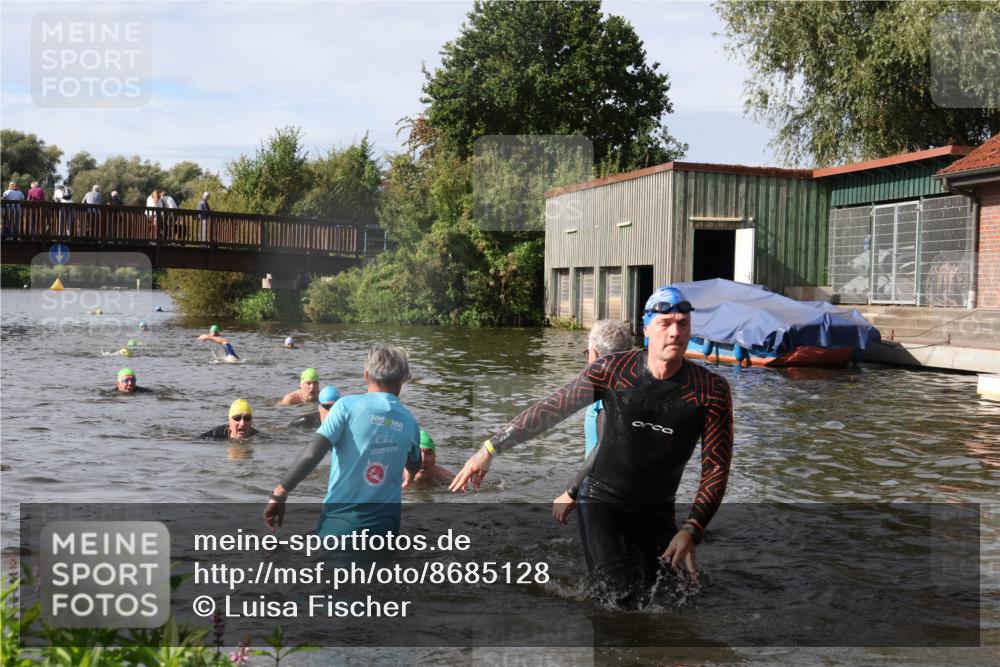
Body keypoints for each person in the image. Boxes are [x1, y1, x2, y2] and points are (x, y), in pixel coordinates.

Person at [451, 285, 734, 606]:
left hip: (658, 513)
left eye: (683, 323)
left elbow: (716, 468)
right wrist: (489, 449)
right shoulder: (614, 371)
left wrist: (691, 529)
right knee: (618, 597)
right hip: (603, 502)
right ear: (646, 328)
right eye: (665, 323)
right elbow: (550, 410)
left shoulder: (710, 390)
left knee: (677, 602)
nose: (675, 332)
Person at [263, 344, 422, 537]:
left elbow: (313, 452)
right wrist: (409, 472)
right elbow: (414, 464)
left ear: (365, 375)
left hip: (340, 528)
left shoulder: (345, 407)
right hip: (386, 530)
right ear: (402, 380)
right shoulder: (410, 422)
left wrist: (279, 493)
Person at [551, 320, 633, 516]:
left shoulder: (610, 394)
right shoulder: (632, 388)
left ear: (595, 354)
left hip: (604, 496)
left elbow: (605, 445)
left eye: (587, 354)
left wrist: (571, 492)